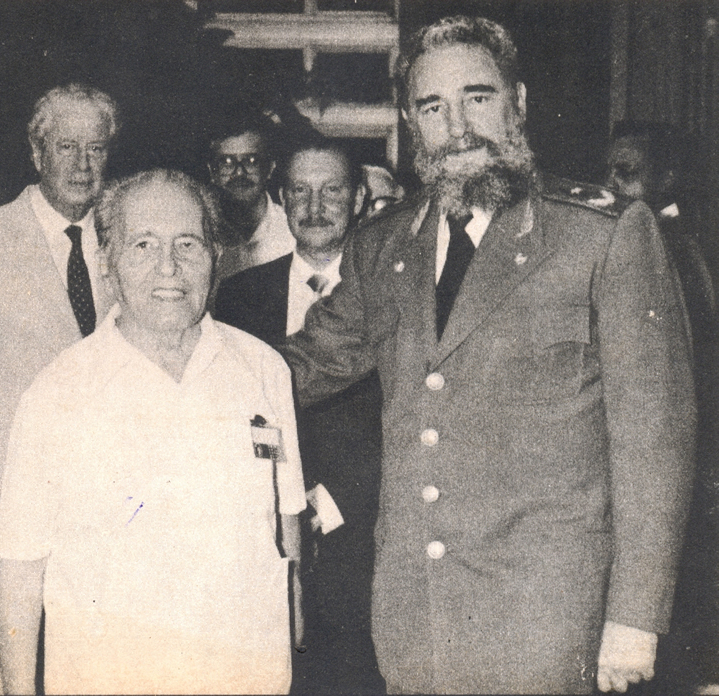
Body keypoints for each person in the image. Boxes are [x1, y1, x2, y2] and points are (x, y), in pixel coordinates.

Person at [283, 15, 696, 694]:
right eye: (432, 107)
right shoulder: (382, 246)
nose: (458, 126)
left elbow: (654, 443)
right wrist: (173, 359)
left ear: (518, 103)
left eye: (477, 97)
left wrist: (635, 618)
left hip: (548, 625)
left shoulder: (603, 234)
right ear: (411, 124)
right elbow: (298, 368)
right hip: (416, 625)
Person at [0, 169, 305, 695]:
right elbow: (20, 571)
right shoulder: (57, 392)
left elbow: (286, 514)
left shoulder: (263, 369)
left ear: (216, 256)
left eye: (188, 243)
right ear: (106, 261)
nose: (169, 267)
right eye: (143, 245)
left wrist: (292, 612)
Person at [0, 83, 117, 694]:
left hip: (108, 492)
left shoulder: (127, 237)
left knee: (95, 657)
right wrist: (5, 441)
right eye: (66, 147)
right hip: (2, 488)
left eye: (96, 148)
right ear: (37, 153)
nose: (83, 165)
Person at [215, 134, 385, 694]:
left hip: (366, 537)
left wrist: (327, 502)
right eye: (300, 191)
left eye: (331, 190)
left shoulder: (392, 295)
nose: (314, 207)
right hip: (266, 535)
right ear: (282, 198)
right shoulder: (236, 297)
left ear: (358, 199)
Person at [608, 121, 719, 694]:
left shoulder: (677, 246)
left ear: (668, 177)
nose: (611, 185)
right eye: (608, 171)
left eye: (627, 173)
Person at [207, 110, 296, 280]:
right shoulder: (201, 231)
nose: (239, 172)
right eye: (227, 162)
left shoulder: (293, 232)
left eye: (251, 161)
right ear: (212, 171)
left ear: (270, 168)